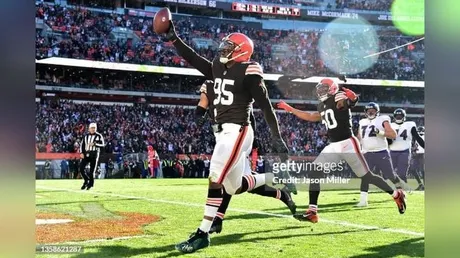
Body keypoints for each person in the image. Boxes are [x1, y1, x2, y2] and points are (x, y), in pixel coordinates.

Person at [161, 22, 291, 253]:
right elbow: (193, 58)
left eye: (229, 46)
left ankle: (202, 234)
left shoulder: (249, 71)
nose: (223, 49)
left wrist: (276, 136)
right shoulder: (218, 67)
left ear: (241, 50)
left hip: (238, 130)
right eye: (224, 45)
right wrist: (174, 39)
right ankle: (274, 178)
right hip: (222, 133)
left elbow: (265, 106)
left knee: (215, 176)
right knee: (235, 187)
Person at [277, 78, 407, 223]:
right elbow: (312, 116)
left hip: (347, 143)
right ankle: (312, 212)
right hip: (333, 145)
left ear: (332, 88)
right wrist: (291, 109)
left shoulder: (338, 97)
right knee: (314, 171)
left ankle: (396, 194)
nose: (320, 91)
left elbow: (345, 104)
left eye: (324, 88)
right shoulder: (322, 105)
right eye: (319, 88)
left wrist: (353, 99)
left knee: (367, 176)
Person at [197, 80, 296, 235]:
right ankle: (280, 189)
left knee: (223, 179)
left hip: (237, 137)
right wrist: (199, 114)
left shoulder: (233, 84)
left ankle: (216, 220)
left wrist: (253, 138)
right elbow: (202, 104)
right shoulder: (211, 83)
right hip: (222, 136)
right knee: (237, 185)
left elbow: (249, 114)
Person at [356, 103, 407, 207]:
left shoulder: (383, 119)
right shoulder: (362, 122)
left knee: (390, 175)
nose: (370, 112)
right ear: (365, 112)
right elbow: (359, 136)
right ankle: (363, 200)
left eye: (373, 110)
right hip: (367, 152)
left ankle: (400, 190)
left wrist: (380, 132)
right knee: (365, 176)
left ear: (377, 111)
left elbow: (393, 134)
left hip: (381, 152)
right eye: (368, 110)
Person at [390, 109, 425, 190]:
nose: (399, 117)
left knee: (402, 173)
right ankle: (397, 185)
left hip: (404, 151)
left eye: (400, 116)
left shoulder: (410, 125)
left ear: (404, 117)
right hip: (392, 151)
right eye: (397, 116)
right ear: (394, 117)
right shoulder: (390, 125)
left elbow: (417, 137)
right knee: (389, 173)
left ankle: (402, 192)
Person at [79, 123, 105, 190]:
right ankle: (86, 180)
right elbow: (82, 145)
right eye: (92, 128)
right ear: (89, 129)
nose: (93, 129)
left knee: (91, 171)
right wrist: (81, 152)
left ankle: (90, 184)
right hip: (86, 154)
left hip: (94, 154)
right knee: (81, 168)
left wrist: (95, 144)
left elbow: (103, 145)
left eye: (94, 128)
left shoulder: (99, 136)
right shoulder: (86, 136)